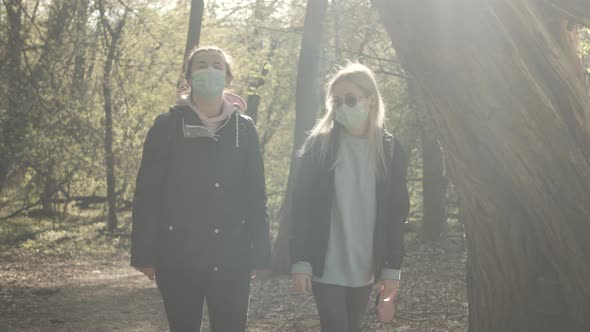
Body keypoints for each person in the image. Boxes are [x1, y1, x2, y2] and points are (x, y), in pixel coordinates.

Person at [130, 46, 271, 332]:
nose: (210, 71)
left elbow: (256, 194)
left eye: (217, 66)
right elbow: (147, 193)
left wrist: (261, 253)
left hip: (232, 254)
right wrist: (144, 253)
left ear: (228, 78)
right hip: (178, 255)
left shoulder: (243, 129)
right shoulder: (167, 124)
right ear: (189, 77)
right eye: (202, 65)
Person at [290, 62, 410, 332]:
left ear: (371, 99)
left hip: (366, 267)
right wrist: (300, 260)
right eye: (337, 102)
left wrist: (391, 270)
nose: (343, 107)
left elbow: (396, 213)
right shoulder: (318, 146)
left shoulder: (390, 150)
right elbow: (301, 206)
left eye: (350, 99)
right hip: (326, 265)